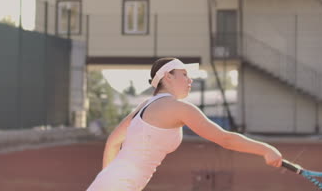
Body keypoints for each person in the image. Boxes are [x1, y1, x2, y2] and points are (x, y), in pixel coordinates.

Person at [86, 57, 282, 191]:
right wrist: (265, 149)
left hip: (110, 184)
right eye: (184, 74)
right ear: (168, 77)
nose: (190, 80)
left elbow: (113, 142)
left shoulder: (145, 105)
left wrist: (109, 180)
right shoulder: (179, 108)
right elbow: (225, 139)